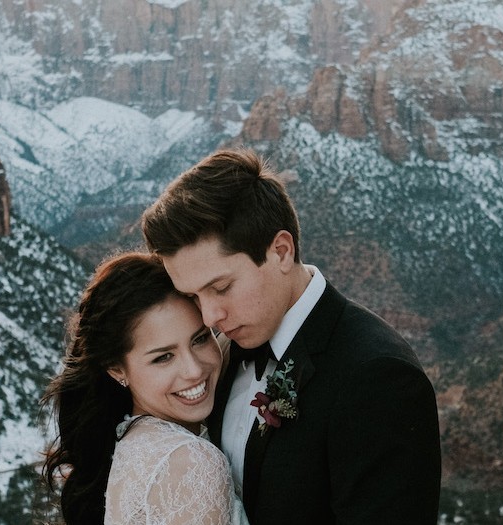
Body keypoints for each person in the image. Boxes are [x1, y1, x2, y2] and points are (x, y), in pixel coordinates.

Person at [141, 149, 441, 524]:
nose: (209, 317)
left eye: (221, 287)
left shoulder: (379, 377)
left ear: (281, 251)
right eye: (193, 297)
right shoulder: (218, 355)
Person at [42, 252, 247, 525]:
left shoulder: (134, 444)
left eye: (199, 339)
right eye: (163, 357)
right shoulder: (189, 462)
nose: (194, 370)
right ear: (116, 369)